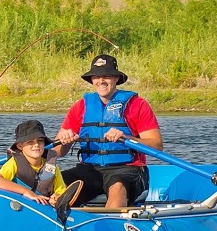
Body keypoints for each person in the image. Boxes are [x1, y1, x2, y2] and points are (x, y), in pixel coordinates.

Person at [54, 54, 162, 209]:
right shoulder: (81, 107)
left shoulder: (138, 105)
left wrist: (127, 138)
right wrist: (65, 140)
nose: (101, 81)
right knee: (54, 185)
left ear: (116, 78)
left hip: (127, 169)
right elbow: (57, 151)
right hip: (90, 170)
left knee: (117, 187)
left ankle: (110, 227)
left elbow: (157, 145)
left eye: (106, 76)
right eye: (96, 77)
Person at [0, 119, 67, 205]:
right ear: (19, 146)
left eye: (40, 140)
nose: (36, 144)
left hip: (42, 210)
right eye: (30, 142)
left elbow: (61, 193)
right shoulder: (14, 163)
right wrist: (26, 191)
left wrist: (56, 199)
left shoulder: (52, 167)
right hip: (17, 207)